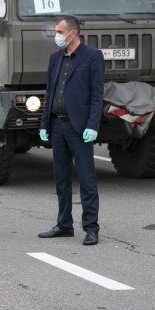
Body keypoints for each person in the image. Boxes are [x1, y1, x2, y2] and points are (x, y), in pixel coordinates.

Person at [38, 15, 105, 246]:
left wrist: (92, 126)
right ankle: (64, 224)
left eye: (59, 31)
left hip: (79, 127)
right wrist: (44, 124)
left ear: (72, 33)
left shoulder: (92, 57)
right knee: (61, 178)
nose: (56, 35)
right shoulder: (55, 58)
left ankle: (91, 228)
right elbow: (49, 92)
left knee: (86, 179)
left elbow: (97, 95)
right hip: (57, 125)